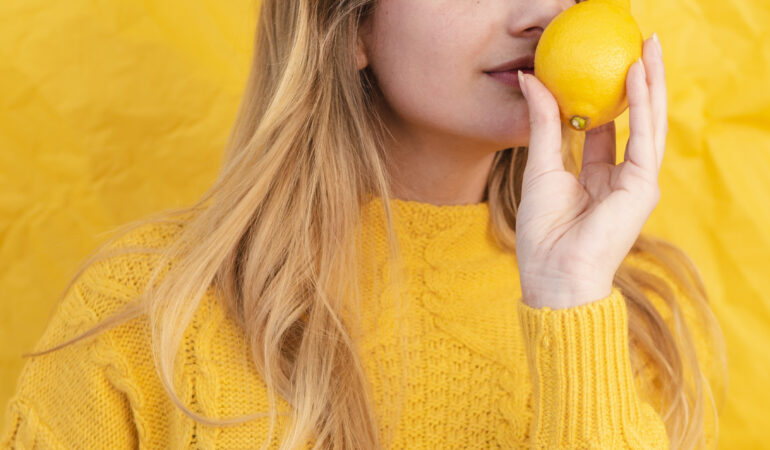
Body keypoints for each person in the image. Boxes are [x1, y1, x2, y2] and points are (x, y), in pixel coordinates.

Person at [1, 0, 727, 448]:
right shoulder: (147, 305)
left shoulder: (618, 317)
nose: (541, 11)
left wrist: (570, 299)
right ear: (347, 26)